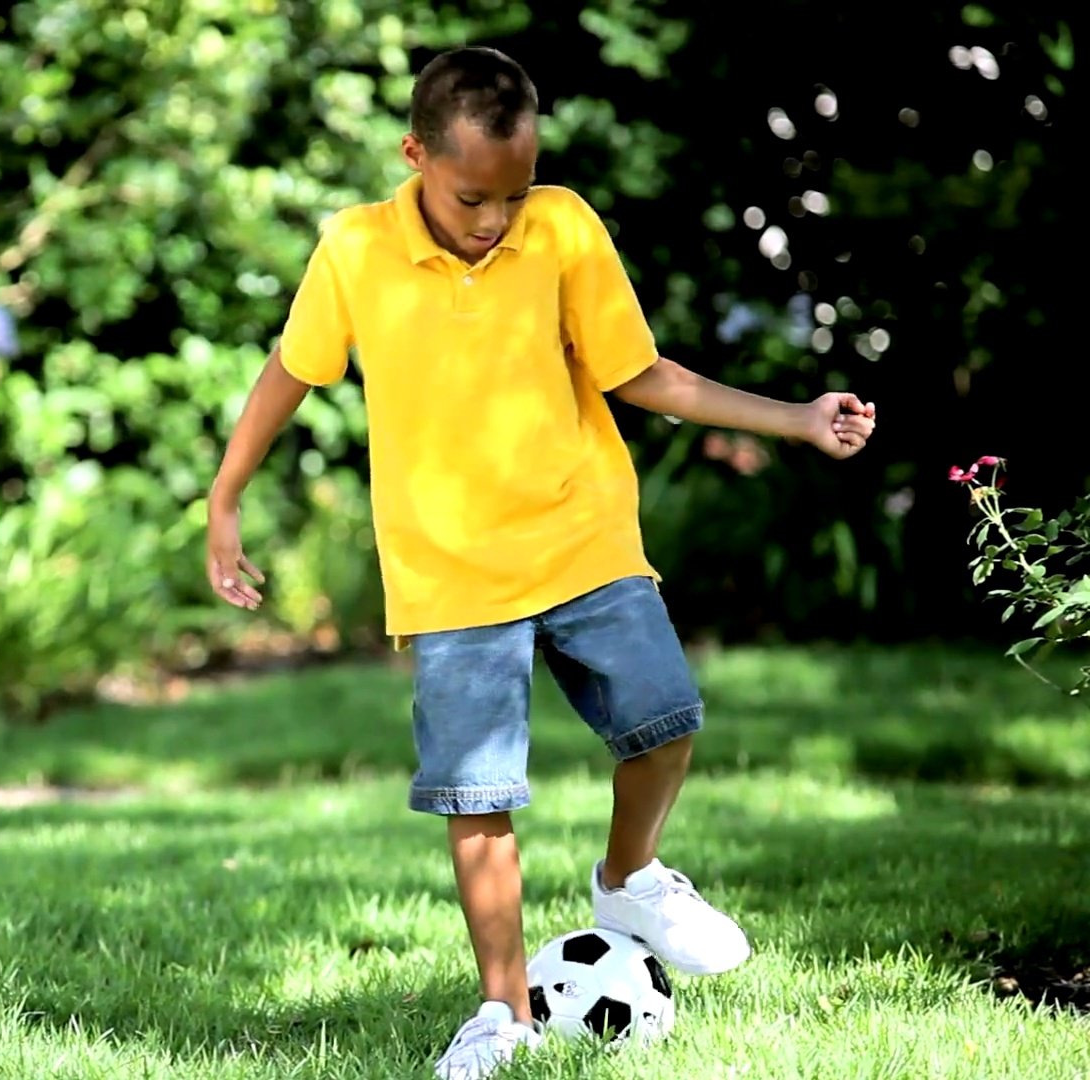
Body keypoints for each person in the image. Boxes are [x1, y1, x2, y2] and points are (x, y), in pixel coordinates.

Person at [203, 46, 875, 1080]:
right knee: (477, 797)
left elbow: (640, 372)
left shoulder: (559, 225)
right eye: (474, 196)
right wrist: (226, 495)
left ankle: (631, 874)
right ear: (414, 153)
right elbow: (290, 373)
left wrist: (792, 417)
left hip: (581, 537)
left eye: (513, 194)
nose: (495, 219)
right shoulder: (354, 250)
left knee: (666, 718)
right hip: (452, 573)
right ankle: (502, 1013)